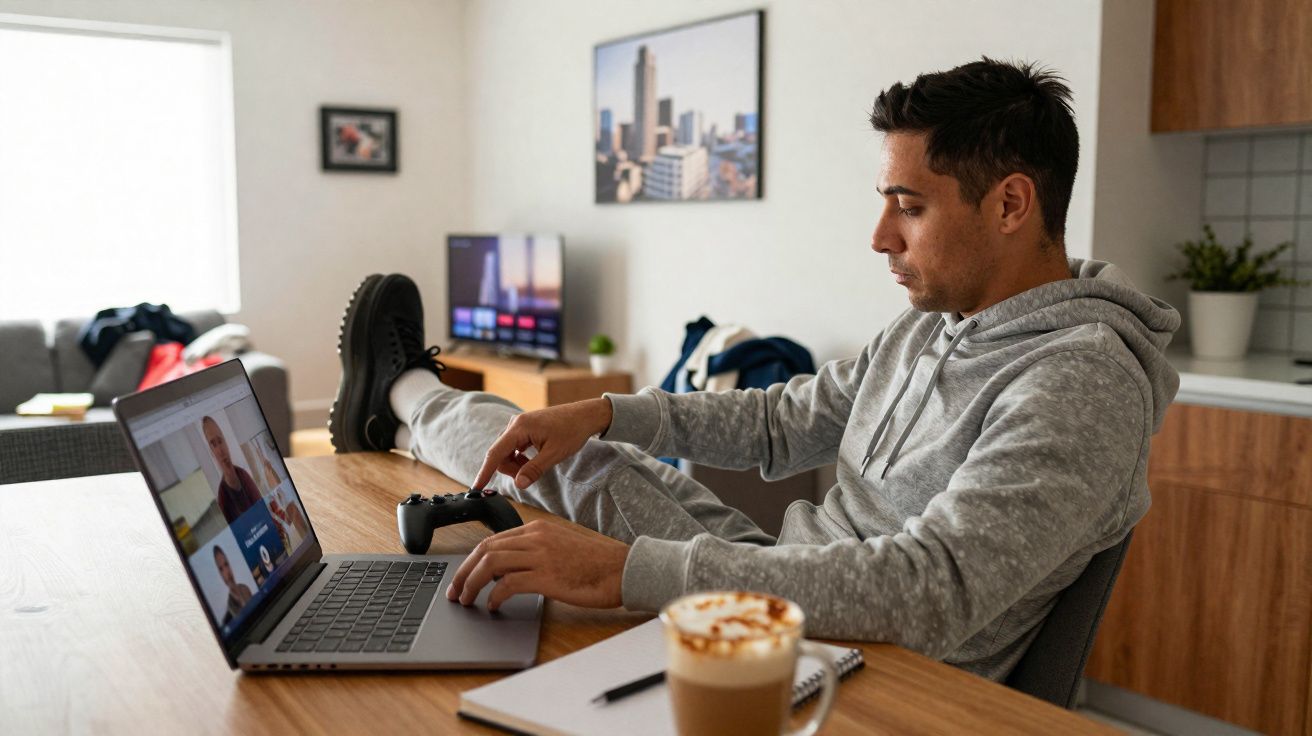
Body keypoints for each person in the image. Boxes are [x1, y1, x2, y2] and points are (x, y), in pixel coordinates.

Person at [328, 58, 1180, 681]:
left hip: (863, 666)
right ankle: (403, 398)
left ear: (1011, 204)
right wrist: (608, 412)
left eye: (910, 207)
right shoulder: (934, 324)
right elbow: (780, 422)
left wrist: (619, 572)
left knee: (542, 611)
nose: (880, 237)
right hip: (786, 581)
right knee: (569, 453)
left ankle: (405, 399)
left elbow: (929, 593)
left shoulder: (1079, 381)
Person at [202, 416, 263, 523]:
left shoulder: (243, 475)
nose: (220, 450)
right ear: (211, 452)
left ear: (226, 443)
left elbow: (263, 510)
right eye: (213, 444)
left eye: (220, 441)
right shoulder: (223, 498)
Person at [212, 545, 254, 627]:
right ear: (220, 575)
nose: (227, 572)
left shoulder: (245, 588)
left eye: (226, 564)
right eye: (221, 569)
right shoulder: (228, 617)